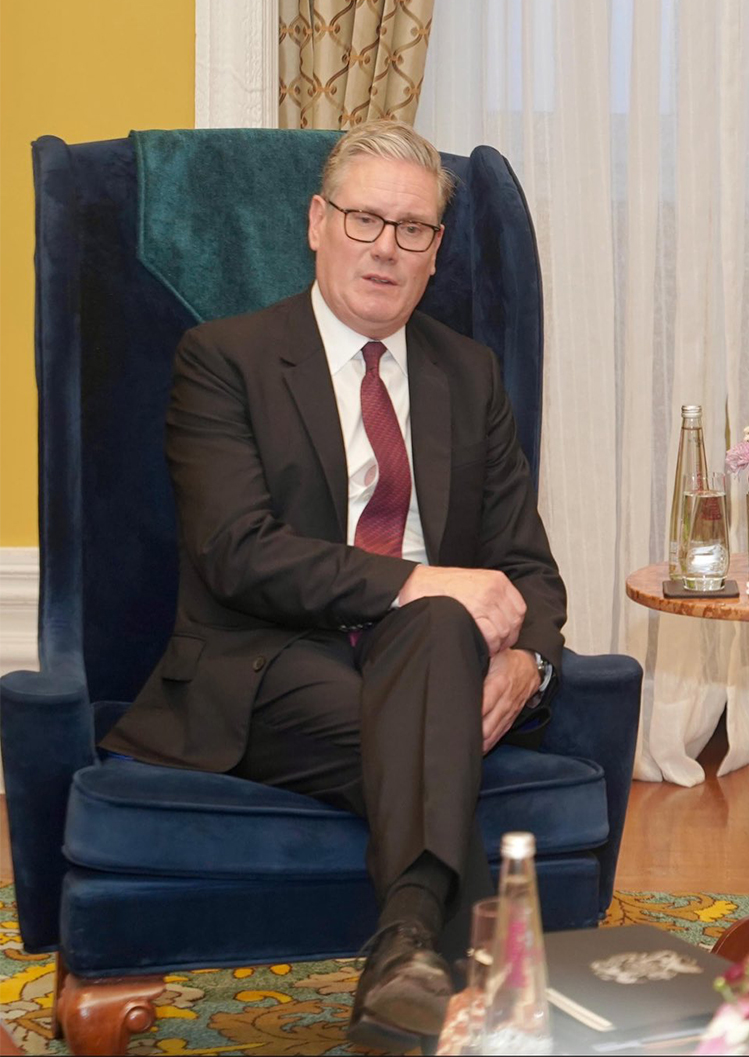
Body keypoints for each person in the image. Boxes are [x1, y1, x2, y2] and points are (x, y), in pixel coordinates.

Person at [102, 120, 566, 1050]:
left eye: (414, 229)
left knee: (437, 633)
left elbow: (529, 571)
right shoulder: (225, 358)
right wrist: (424, 580)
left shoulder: (465, 376)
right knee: (434, 629)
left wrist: (533, 668)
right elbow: (237, 551)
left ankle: (404, 961)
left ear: (437, 251)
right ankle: (475, 983)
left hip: (427, 660)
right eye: (364, 220)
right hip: (263, 667)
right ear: (317, 223)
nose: (387, 248)